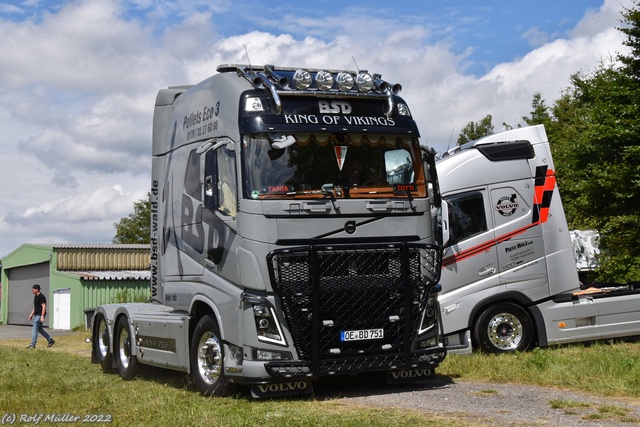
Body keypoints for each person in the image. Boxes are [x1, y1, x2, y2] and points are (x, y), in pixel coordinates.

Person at [26, 284, 55, 349]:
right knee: (40, 329)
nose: (32, 291)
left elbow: (44, 306)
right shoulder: (36, 296)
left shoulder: (41, 296)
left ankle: (33, 345)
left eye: (33, 290)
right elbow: (35, 307)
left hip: (39, 315)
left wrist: (42, 316)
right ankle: (50, 340)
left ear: (37, 289)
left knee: (34, 329)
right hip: (36, 314)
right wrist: (31, 314)